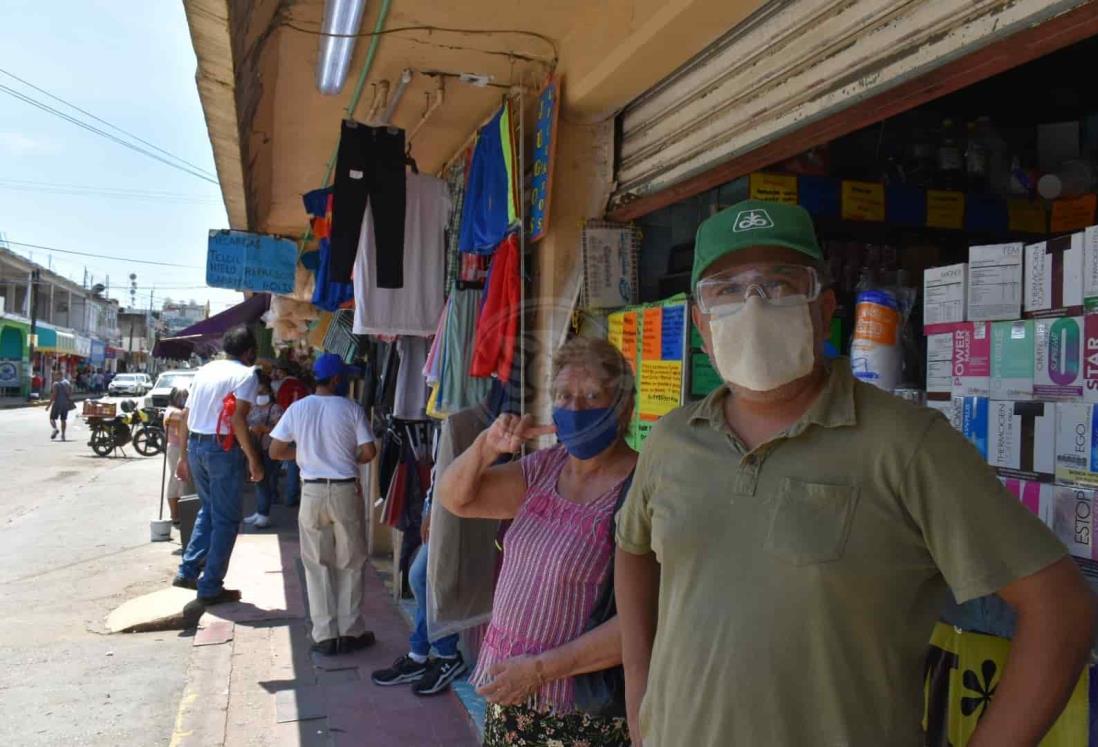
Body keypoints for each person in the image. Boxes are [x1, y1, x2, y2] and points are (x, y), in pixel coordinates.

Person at [614, 199, 1097, 747]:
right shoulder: (673, 440)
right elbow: (632, 547)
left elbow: (1060, 608)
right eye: (726, 289)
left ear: (823, 309)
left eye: (778, 283)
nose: (752, 305)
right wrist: (640, 695)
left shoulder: (908, 444)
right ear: (700, 323)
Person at [437, 336, 637, 746]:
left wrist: (541, 670)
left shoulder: (641, 487)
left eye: (592, 394)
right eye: (564, 395)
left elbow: (644, 619)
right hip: (511, 695)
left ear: (624, 406)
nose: (576, 408)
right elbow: (455, 497)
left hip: (577, 713)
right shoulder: (544, 468)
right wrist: (485, 447)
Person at [270, 353, 377, 656]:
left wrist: (305, 456)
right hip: (344, 492)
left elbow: (276, 451)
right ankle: (351, 630)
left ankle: (325, 635)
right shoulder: (350, 408)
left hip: (312, 493)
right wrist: (347, 459)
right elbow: (369, 451)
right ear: (335, 379)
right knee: (351, 562)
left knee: (316, 564)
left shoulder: (298, 409)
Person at [172, 325, 264, 606]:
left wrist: (183, 455)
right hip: (221, 449)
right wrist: (253, 459)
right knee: (225, 519)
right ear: (249, 352)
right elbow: (238, 420)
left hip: (198, 446)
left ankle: (188, 571)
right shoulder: (247, 374)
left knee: (209, 511)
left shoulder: (206, 370)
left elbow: (185, 414)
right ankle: (210, 585)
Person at [370, 495, 467, 696]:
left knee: (421, 577)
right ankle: (419, 655)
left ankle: (447, 653)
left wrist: (435, 510)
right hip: (435, 502)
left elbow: (448, 466)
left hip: (446, 505)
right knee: (426, 580)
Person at [244, 373, 284, 529]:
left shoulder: (276, 409)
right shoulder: (251, 409)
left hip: (269, 449)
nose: (261, 396)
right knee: (258, 480)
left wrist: (265, 429)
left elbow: (282, 430)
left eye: (264, 393)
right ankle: (259, 511)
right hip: (255, 449)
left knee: (264, 481)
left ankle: (263, 514)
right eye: (258, 393)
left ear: (270, 393)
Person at [273, 360, 309, 507]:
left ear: (285, 372)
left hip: (288, 427)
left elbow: (280, 407)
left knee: (292, 461)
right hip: (304, 427)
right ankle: (298, 493)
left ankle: (290, 496)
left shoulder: (283, 387)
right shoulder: (302, 386)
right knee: (302, 459)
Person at [164, 387, 195, 525]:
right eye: (180, 397)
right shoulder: (171, 410)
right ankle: (175, 514)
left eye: (185, 396)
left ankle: (184, 514)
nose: (182, 399)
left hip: (185, 448)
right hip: (176, 448)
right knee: (176, 481)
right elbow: (181, 417)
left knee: (185, 482)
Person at [46, 366, 74, 441]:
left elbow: (54, 395)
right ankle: (63, 435)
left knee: (52, 418)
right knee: (63, 419)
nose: (54, 376)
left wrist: (48, 405)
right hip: (66, 404)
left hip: (57, 404)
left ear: (59, 375)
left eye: (55, 375)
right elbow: (71, 392)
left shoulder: (56, 384)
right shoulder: (67, 382)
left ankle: (55, 429)